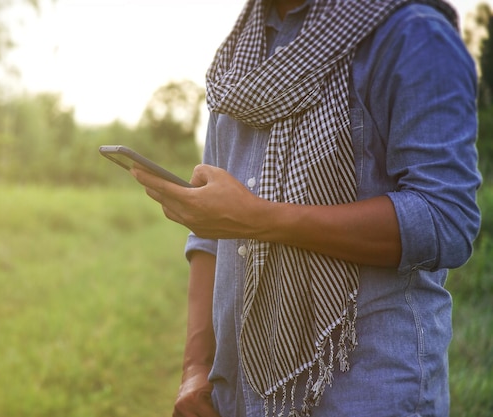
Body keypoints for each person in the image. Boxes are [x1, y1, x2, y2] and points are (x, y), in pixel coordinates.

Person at [132, 0, 481, 416]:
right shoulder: (237, 62)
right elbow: (210, 231)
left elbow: (445, 219)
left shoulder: (411, 34)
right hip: (241, 392)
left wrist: (258, 219)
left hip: (364, 388)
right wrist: (195, 367)